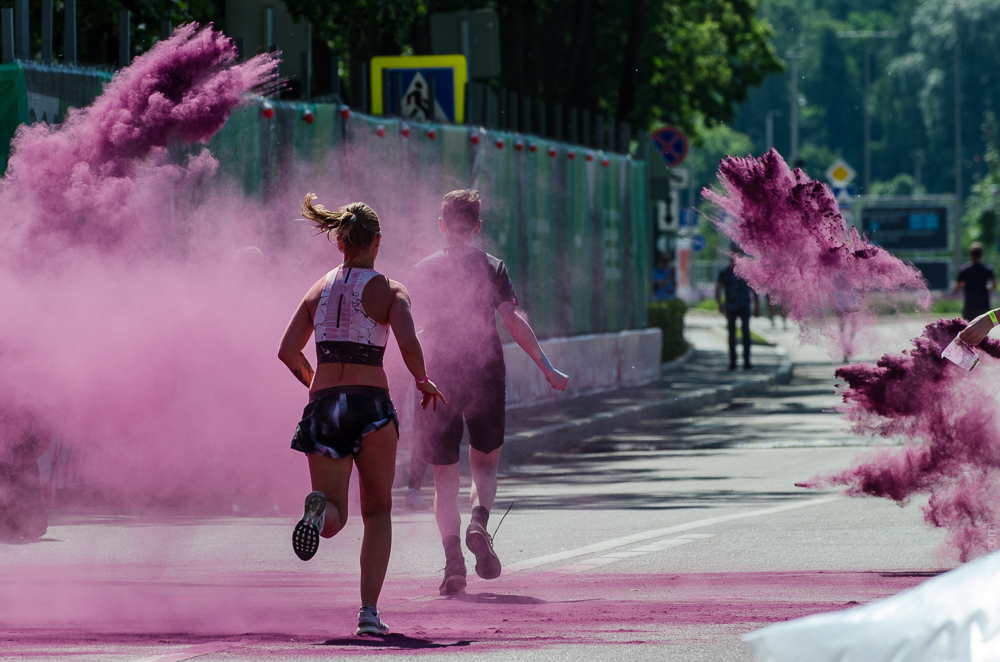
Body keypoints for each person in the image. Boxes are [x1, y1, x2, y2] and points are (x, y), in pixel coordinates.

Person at [278, 193, 445, 636]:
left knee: (335, 511)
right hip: (371, 406)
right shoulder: (390, 289)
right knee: (377, 512)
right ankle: (368, 614)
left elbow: (286, 351)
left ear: (340, 244)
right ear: (377, 241)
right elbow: (408, 342)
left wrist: (315, 384)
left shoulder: (318, 288)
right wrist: (423, 379)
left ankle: (316, 515)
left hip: (324, 406)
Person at [411, 189, 569, 596]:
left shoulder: (423, 270)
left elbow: (414, 330)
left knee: (444, 476)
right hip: (485, 372)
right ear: (477, 227)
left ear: (442, 225)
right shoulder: (493, 266)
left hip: (437, 377)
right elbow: (512, 321)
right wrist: (547, 368)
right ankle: (478, 521)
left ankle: (453, 566)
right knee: (484, 465)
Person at [715, 249, 759, 370]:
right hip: (731, 307)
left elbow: (754, 289)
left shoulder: (747, 273)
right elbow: (718, 289)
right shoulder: (725, 273)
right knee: (732, 335)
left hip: (744, 306)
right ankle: (733, 361)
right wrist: (720, 304)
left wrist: (757, 307)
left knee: (745, 333)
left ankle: (747, 360)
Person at [955, 242, 996, 322]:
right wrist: (988, 289)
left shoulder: (965, 269)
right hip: (983, 304)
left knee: (969, 327)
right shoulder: (987, 269)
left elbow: (957, 286)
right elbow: (994, 283)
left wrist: (964, 287)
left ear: (971, 255)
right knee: (984, 326)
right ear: (981, 255)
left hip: (969, 305)